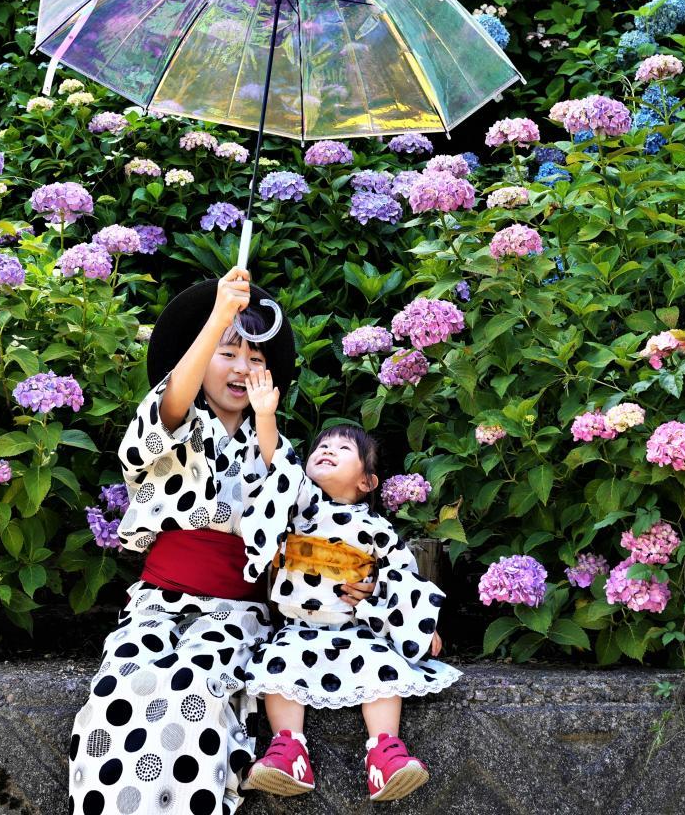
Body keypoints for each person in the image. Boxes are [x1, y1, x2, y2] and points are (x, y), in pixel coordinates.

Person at [67, 268, 374, 815]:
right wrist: (216, 317)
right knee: (118, 695)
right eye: (227, 352)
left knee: (194, 694)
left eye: (256, 359)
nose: (242, 368)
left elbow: (307, 533)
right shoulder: (176, 427)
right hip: (158, 606)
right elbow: (169, 410)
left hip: (238, 614)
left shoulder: (282, 450)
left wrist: (345, 583)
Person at [240, 424, 459, 803]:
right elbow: (279, 461)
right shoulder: (299, 506)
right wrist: (264, 416)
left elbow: (403, 576)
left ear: (367, 482)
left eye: (343, 448)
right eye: (322, 446)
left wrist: (421, 625)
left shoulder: (378, 528)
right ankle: (288, 751)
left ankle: (385, 753)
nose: (328, 450)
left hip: (358, 632)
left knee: (382, 671)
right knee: (277, 666)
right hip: (297, 630)